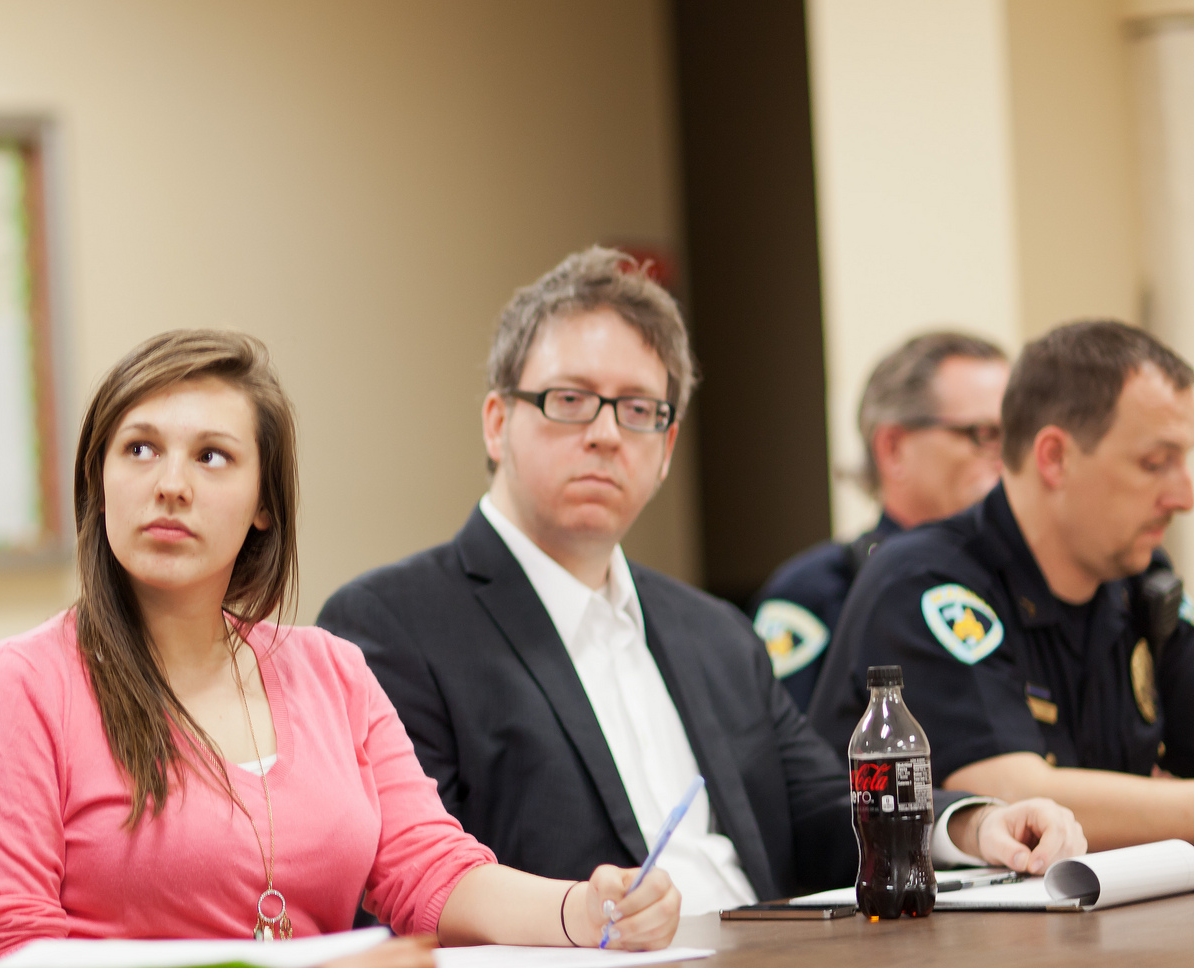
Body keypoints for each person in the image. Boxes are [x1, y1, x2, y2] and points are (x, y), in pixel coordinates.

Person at [317, 248, 1083, 916]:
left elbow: (822, 806)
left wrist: (973, 827)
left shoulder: (713, 631)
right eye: (570, 400)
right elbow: (414, 881)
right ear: (496, 421)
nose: (607, 434)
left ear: (668, 445)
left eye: (640, 410)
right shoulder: (393, 625)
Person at [0, 329, 682, 968]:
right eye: (139, 449)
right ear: (99, 480)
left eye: (213, 457)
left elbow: (429, 871)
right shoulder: (14, 686)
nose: (169, 485)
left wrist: (585, 909)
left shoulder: (332, 670)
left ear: (264, 505)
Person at [812, 320, 1194, 850]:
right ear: (1054, 457)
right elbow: (1019, 799)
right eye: (1155, 463)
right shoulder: (924, 582)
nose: (1183, 495)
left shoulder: (1140, 579)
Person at [751, 332, 1008, 710]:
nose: (1010, 457)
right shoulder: (815, 593)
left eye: (1017, 435)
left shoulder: (1023, 583)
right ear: (893, 448)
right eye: (983, 434)